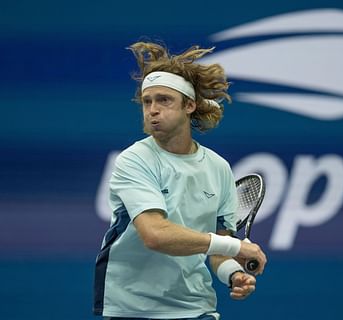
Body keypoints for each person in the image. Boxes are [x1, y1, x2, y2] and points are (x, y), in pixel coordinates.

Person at [93, 41, 267, 320]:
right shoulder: (134, 160)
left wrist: (233, 274)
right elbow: (156, 235)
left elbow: (217, 252)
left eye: (164, 100)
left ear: (189, 105)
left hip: (196, 308)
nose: (152, 109)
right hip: (134, 309)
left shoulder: (218, 167)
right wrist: (237, 247)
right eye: (147, 101)